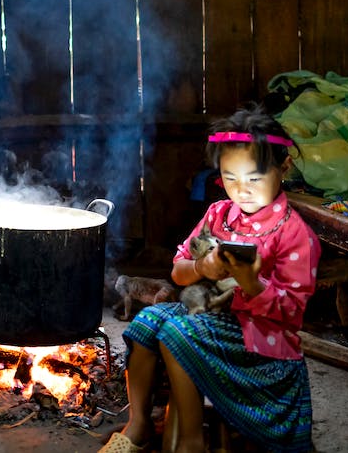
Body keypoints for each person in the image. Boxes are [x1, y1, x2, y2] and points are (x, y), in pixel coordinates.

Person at [100, 106, 320, 453]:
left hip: (263, 340)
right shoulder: (219, 214)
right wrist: (203, 268)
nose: (241, 191)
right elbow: (178, 270)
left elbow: (290, 313)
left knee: (179, 333)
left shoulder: (295, 235)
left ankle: (190, 442)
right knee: (146, 322)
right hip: (215, 317)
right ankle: (138, 425)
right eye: (230, 178)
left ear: (284, 168)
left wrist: (250, 283)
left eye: (254, 179)